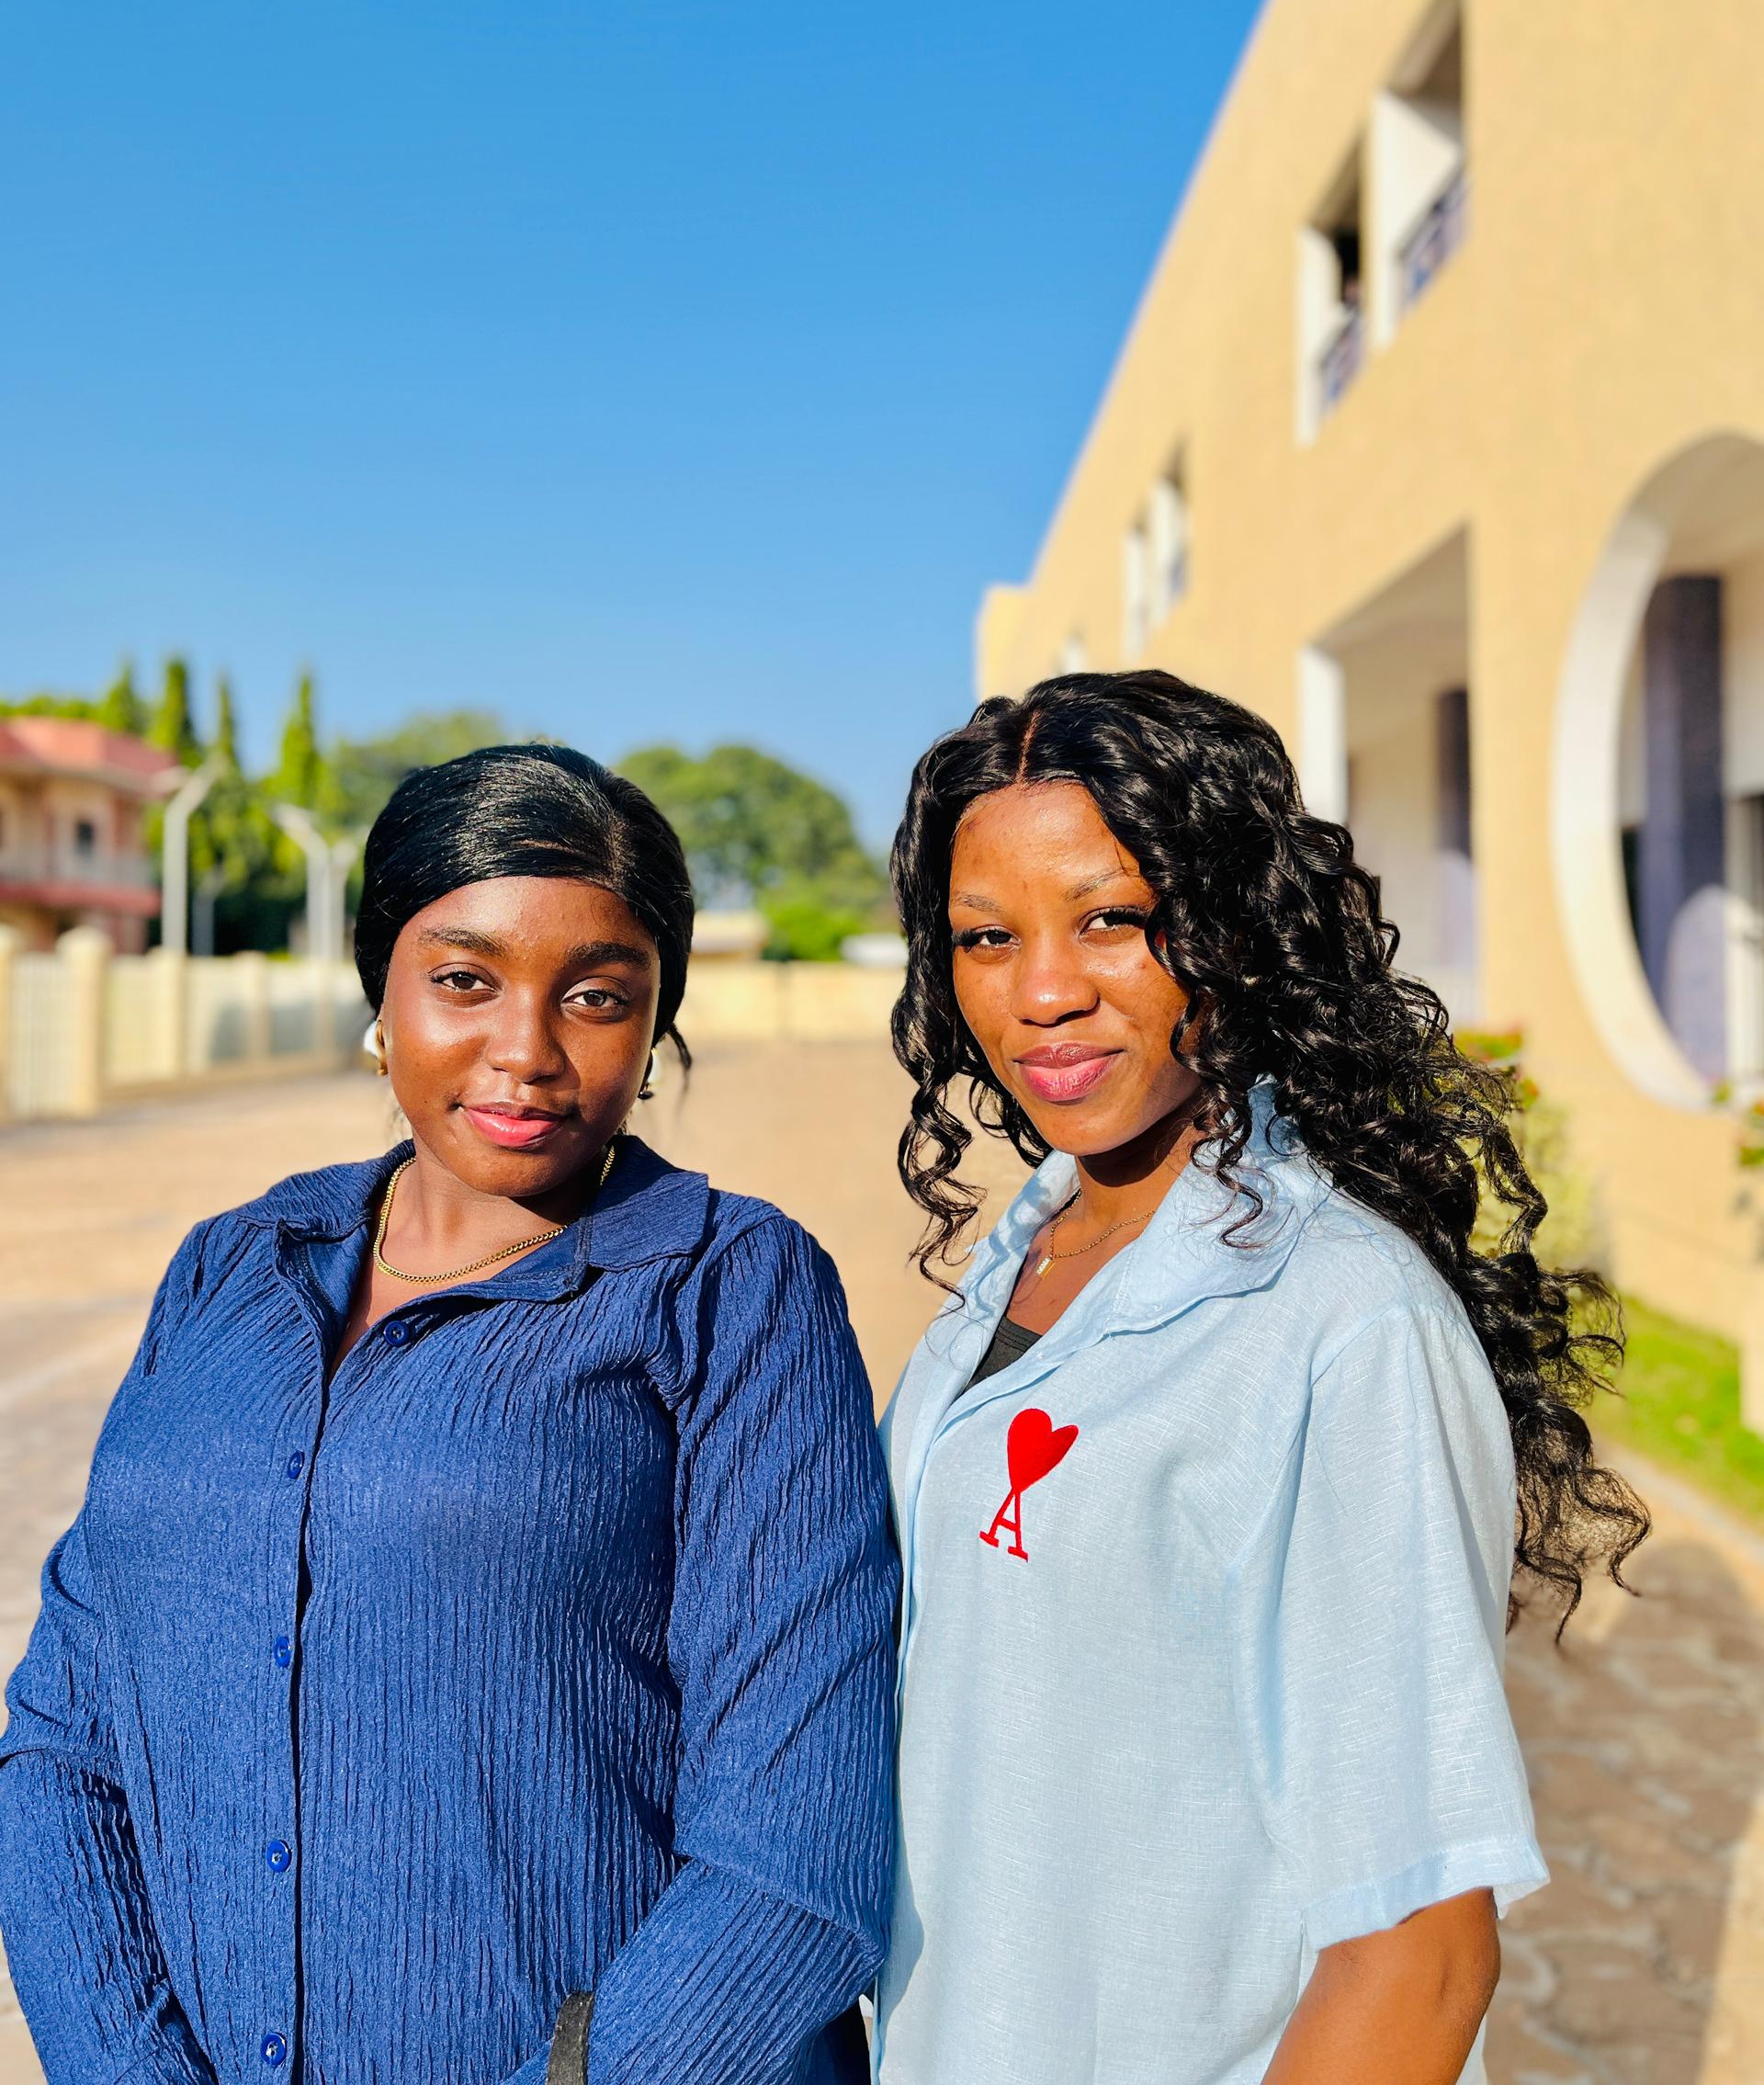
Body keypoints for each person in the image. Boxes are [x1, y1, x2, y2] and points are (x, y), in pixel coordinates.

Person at [0, 743, 898, 2085]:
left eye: (597, 997)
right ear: (383, 989)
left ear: (656, 1026)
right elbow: (64, 1739)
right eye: (464, 980)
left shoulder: (730, 1292)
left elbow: (797, 1853)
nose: (525, 1052)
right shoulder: (230, 1270)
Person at [875, 671, 1647, 2085]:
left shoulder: (1340, 1321)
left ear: (1235, 927)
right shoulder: (1020, 1262)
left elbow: (1418, 1950)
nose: (1044, 991)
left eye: (1113, 918)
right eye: (987, 937)